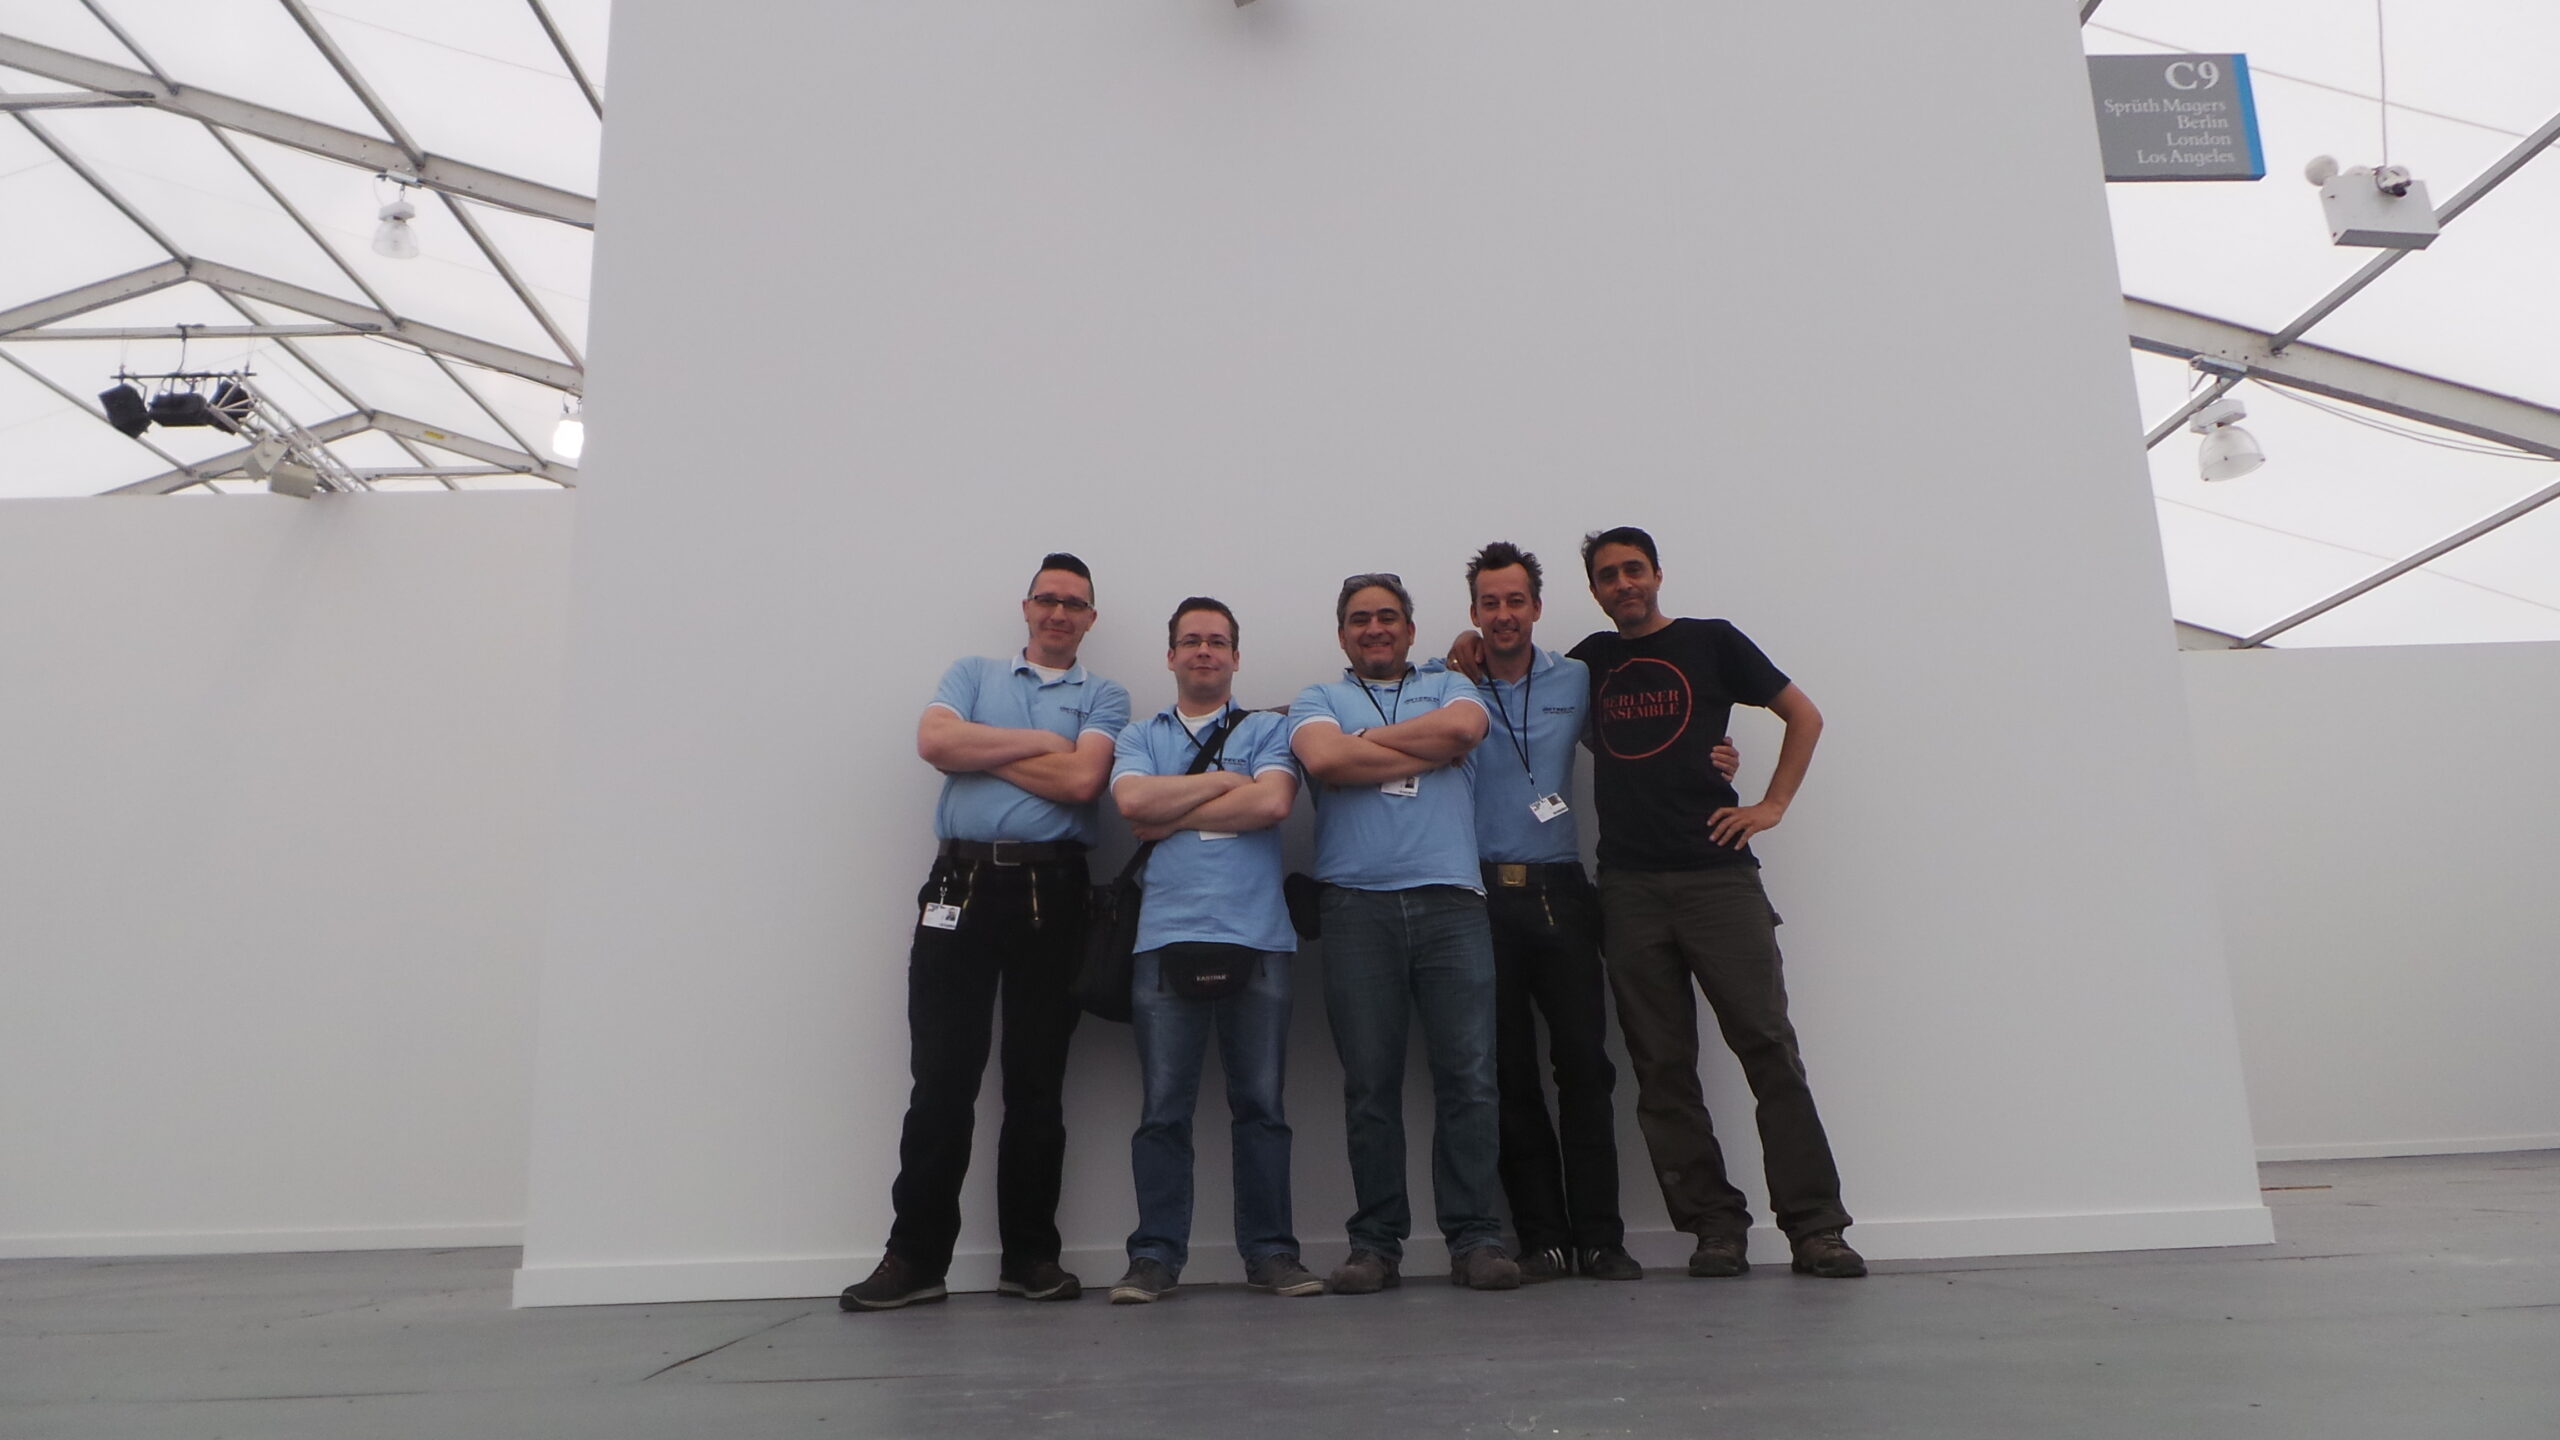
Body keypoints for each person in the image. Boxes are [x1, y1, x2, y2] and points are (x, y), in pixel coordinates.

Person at [1565, 526, 1865, 1280]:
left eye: (1634, 569)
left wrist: (1771, 804)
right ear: (1594, 590)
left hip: (1718, 878)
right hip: (1629, 888)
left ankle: (1816, 1228)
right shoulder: (1588, 662)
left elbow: (1805, 715)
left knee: (1768, 1047)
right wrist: (1466, 649)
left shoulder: (1711, 642)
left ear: (1657, 574)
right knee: (1662, 1066)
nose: (1623, 584)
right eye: (1608, 575)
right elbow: (1525, 693)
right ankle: (1714, 1228)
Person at [841, 553, 1132, 1312]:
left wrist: (985, 749)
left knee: (1037, 1085)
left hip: (1052, 894)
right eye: (1048, 599)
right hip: (959, 888)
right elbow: (936, 744)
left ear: (1091, 619)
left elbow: (1084, 782)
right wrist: (1044, 745)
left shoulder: (1105, 694)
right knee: (941, 1081)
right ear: (1026, 607)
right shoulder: (971, 672)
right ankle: (914, 1260)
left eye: (1074, 603)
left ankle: (1030, 1259)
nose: (1059, 613)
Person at [1288, 573, 1521, 1294]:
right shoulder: (1316, 699)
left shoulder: (1451, 686)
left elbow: (1464, 731)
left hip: (1453, 904)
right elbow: (1324, 759)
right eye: (1360, 619)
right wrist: (1420, 751)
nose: (1375, 628)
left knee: (1470, 1079)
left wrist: (1365, 747)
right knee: (1370, 1085)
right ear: (1342, 635)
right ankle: (1375, 1246)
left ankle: (1475, 1240)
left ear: (1411, 630)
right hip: (1355, 909)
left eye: (1388, 616)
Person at [1102, 598, 1322, 1304]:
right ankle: (1154, 1258)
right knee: (1163, 1111)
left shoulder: (1268, 730)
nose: (1205, 650)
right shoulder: (1139, 734)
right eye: (1191, 640)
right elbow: (1132, 805)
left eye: (1218, 641)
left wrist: (1173, 809)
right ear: (1170, 655)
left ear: (1236, 656)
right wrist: (1228, 781)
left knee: (1261, 1107)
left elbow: (1272, 805)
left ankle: (1272, 1254)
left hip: (1260, 941)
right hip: (1163, 940)